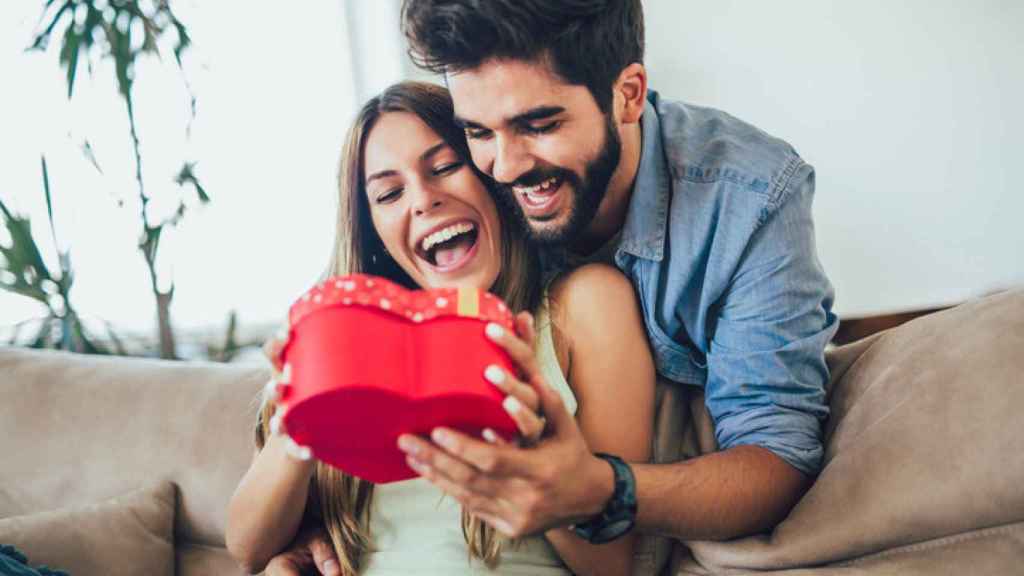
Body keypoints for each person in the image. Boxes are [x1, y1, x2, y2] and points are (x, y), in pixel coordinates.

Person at [226, 81, 655, 576]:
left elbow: (612, 566)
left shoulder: (585, 305)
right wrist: (300, 420)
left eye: (446, 167)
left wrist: (520, 447)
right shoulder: (356, 349)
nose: (423, 201)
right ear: (377, 234)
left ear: (492, 176)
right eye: (389, 193)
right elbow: (247, 548)